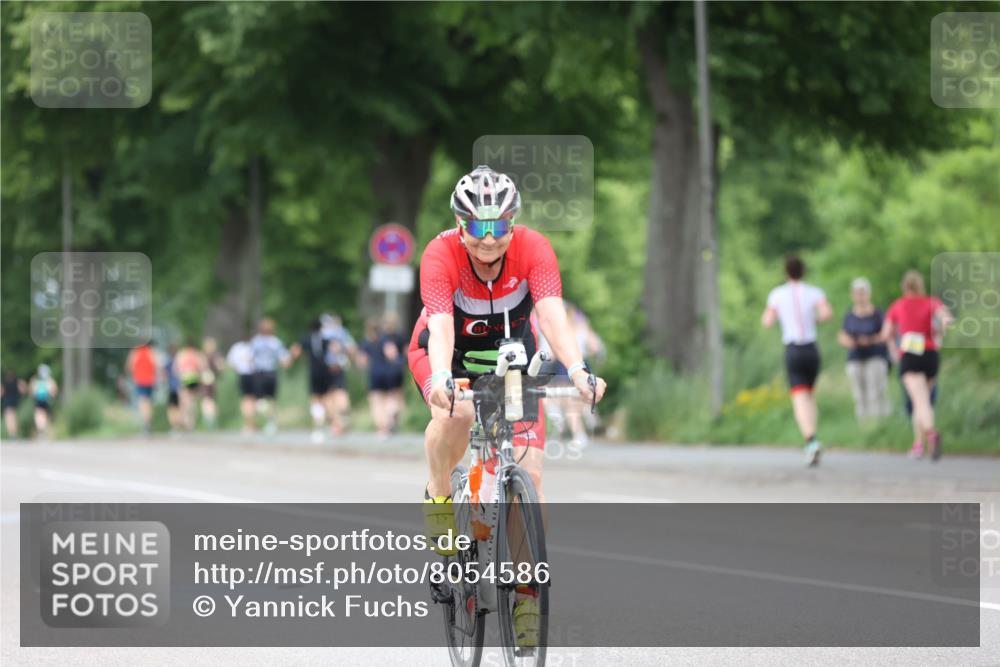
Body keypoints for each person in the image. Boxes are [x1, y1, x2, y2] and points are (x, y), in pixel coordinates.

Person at [406, 165, 607, 648]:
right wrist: (438, 379)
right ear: (461, 225)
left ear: (513, 222)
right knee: (453, 415)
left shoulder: (534, 249)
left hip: (511, 360)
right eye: (478, 228)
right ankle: (439, 494)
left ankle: (526, 597)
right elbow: (441, 324)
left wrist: (578, 370)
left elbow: (552, 314)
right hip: (447, 352)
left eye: (499, 226)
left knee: (529, 474)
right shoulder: (440, 254)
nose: (489, 239)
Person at [761, 255, 833, 466]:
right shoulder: (814, 292)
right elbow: (827, 313)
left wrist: (783, 319)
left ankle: (810, 440)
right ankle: (813, 436)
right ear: (804, 271)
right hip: (811, 348)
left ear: (785, 273)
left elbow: (767, 321)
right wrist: (814, 320)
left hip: (793, 348)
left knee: (799, 398)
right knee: (809, 395)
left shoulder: (777, 294)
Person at [881, 270, 953, 460]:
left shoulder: (898, 305)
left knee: (919, 401)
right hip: (930, 355)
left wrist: (892, 350)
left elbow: (886, 332)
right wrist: (940, 335)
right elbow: (945, 317)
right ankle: (918, 445)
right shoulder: (931, 301)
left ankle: (931, 434)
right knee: (922, 401)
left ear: (904, 287)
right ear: (920, 286)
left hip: (910, 356)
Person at [837, 277, 891, 421]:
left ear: (868, 294)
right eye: (857, 293)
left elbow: (887, 333)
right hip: (856, 357)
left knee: (876, 391)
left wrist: (870, 340)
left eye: (862, 292)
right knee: (859, 394)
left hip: (875, 356)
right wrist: (851, 342)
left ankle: (880, 422)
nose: (860, 296)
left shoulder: (877, 313)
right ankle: (864, 423)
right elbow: (842, 334)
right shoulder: (849, 315)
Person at [359, 314, 406, 439]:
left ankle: (382, 428)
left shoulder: (366, 342)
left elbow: (362, 361)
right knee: (391, 397)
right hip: (389, 372)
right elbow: (392, 355)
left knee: (376, 402)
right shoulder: (385, 340)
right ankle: (391, 414)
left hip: (375, 373)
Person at [290, 319, 336, 443]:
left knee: (316, 398)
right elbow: (335, 350)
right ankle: (331, 423)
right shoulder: (326, 339)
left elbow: (295, 351)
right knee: (327, 397)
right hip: (326, 371)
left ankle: (318, 425)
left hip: (313, 372)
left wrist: (292, 359)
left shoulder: (306, 338)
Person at [250, 317, 292, 435]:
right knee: (272, 399)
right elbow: (284, 359)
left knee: (259, 401)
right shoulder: (276, 342)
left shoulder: (256, 341)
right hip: (272, 373)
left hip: (260, 374)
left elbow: (250, 359)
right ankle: (271, 422)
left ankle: (267, 420)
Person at [320, 313, 357, 436]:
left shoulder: (321, 333)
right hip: (339, 366)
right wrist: (349, 359)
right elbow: (352, 348)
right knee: (341, 393)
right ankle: (343, 418)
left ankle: (336, 423)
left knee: (328, 397)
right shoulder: (342, 332)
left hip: (325, 368)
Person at [126, 342, 159, 434]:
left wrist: (133, 374)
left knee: (142, 401)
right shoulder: (150, 351)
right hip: (150, 381)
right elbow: (156, 365)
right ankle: (148, 421)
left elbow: (129, 366)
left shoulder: (135, 352)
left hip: (140, 380)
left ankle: (145, 423)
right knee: (148, 401)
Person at [226, 334, 257, 433]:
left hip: (243, 374)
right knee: (251, 400)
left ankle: (248, 423)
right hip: (253, 375)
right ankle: (250, 423)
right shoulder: (254, 346)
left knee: (245, 400)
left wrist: (239, 366)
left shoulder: (237, 347)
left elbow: (230, 362)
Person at [174, 341, 205, 431]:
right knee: (192, 400)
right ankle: (191, 423)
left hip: (185, 378)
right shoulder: (197, 354)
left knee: (184, 400)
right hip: (195, 378)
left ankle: (186, 421)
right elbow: (202, 367)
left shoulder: (181, 354)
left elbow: (176, 369)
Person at [200, 337, 224, 428]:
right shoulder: (215, 356)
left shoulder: (204, 356)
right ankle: (212, 418)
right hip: (212, 380)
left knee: (207, 400)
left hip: (206, 380)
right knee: (211, 400)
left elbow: (201, 368)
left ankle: (209, 418)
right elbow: (220, 368)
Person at [30, 364, 58, 439]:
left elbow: (32, 392)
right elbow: (54, 391)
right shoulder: (49, 380)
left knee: (39, 415)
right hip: (46, 399)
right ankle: (43, 429)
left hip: (39, 400)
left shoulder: (36, 380)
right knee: (44, 415)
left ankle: (41, 429)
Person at [2, 370, 27, 439]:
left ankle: (11, 433)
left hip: (7, 402)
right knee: (14, 417)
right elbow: (23, 390)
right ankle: (14, 433)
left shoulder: (5, 383)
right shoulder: (17, 382)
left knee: (9, 418)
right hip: (15, 401)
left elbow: (1, 392)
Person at [164, 345, 183, 431]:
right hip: (180, 387)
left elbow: (165, 375)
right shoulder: (180, 361)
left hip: (172, 387)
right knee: (179, 407)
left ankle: (174, 425)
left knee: (172, 408)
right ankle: (178, 424)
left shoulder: (168, 363)